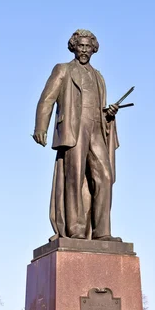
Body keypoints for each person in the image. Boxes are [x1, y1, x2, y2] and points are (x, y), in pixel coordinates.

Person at [33, 29, 121, 241]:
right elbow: (47, 99)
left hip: (96, 129)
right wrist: (40, 127)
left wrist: (108, 114)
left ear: (93, 49)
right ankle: (76, 229)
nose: (84, 50)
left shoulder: (98, 76)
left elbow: (99, 108)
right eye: (80, 46)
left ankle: (102, 232)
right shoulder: (63, 70)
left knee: (105, 177)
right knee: (74, 177)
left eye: (87, 47)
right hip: (73, 129)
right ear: (74, 47)